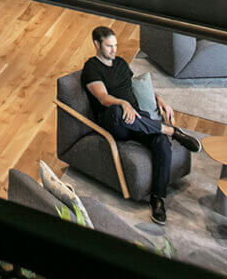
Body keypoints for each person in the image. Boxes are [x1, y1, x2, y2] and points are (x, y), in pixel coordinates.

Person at [80, 26, 200, 223]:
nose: (114, 50)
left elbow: (133, 86)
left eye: (115, 45)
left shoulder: (119, 63)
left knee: (161, 141)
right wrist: (123, 103)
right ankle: (172, 131)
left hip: (138, 119)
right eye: (109, 46)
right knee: (118, 112)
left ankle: (158, 199)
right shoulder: (91, 69)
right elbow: (102, 98)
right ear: (96, 45)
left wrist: (159, 99)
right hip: (115, 122)